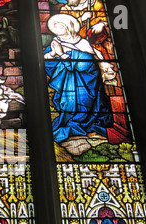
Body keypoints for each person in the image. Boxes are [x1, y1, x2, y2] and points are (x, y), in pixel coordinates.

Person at [44, 14, 117, 149]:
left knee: (84, 105)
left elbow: (87, 64)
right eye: (54, 27)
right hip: (67, 84)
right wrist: (54, 54)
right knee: (67, 104)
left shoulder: (82, 43)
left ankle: (85, 126)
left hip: (86, 83)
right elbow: (46, 63)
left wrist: (62, 54)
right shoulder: (56, 43)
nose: (57, 30)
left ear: (68, 27)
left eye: (59, 26)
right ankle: (70, 124)